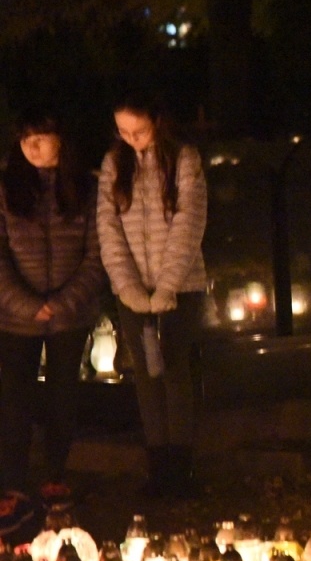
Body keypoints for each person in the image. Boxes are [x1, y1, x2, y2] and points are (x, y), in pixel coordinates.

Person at [98, 93, 208, 499]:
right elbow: (108, 228)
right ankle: (158, 468)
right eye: (123, 132)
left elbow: (189, 223)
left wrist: (167, 287)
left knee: (175, 371)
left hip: (180, 286)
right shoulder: (115, 163)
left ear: (157, 122)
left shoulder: (183, 159)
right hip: (133, 290)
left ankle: (182, 470)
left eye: (139, 131)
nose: (132, 139)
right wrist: (127, 286)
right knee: (145, 375)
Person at [0, 110, 106, 501]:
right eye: (25, 137)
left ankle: (55, 474)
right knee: (14, 398)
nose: (32, 146)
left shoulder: (86, 188)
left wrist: (63, 302)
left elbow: (97, 257)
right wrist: (27, 305)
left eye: (41, 136)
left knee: (63, 394)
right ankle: (12, 481)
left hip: (69, 315)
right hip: (14, 317)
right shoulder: (7, 187)